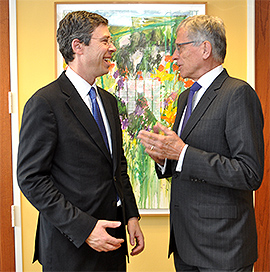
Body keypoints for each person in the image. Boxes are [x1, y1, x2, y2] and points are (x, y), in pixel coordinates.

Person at [17, 11, 144, 271]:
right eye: (105, 41)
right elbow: (31, 178)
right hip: (70, 249)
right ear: (78, 46)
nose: (113, 48)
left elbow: (117, 166)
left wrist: (130, 214)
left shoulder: (108, 101)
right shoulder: (45, 103)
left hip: (113, 244)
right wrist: (85, 229)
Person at [138, 15, 264, 272]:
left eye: (180, 47)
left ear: (205, 48)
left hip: (223, 248)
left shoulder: (237, 94)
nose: (174, 55)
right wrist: (164, 158)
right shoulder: (186, 97)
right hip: (185, 244)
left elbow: (249, 173)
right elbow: (183, 161)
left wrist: (182, 153)